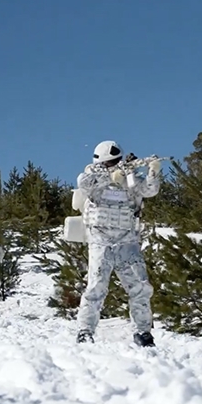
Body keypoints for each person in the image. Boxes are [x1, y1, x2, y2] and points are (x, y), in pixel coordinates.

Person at [75, 140, 162, 347]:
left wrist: (153, 171)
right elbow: (84, 183)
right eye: (109, 162)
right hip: (100, 241)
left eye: (115, 161)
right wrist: (109, 176)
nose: (113, 165)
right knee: (95, 287)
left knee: (140, 287)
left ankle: (143, 332)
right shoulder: (91, 175)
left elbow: (149, 190)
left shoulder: (129, 178)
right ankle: (85, 331)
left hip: (127, 241)